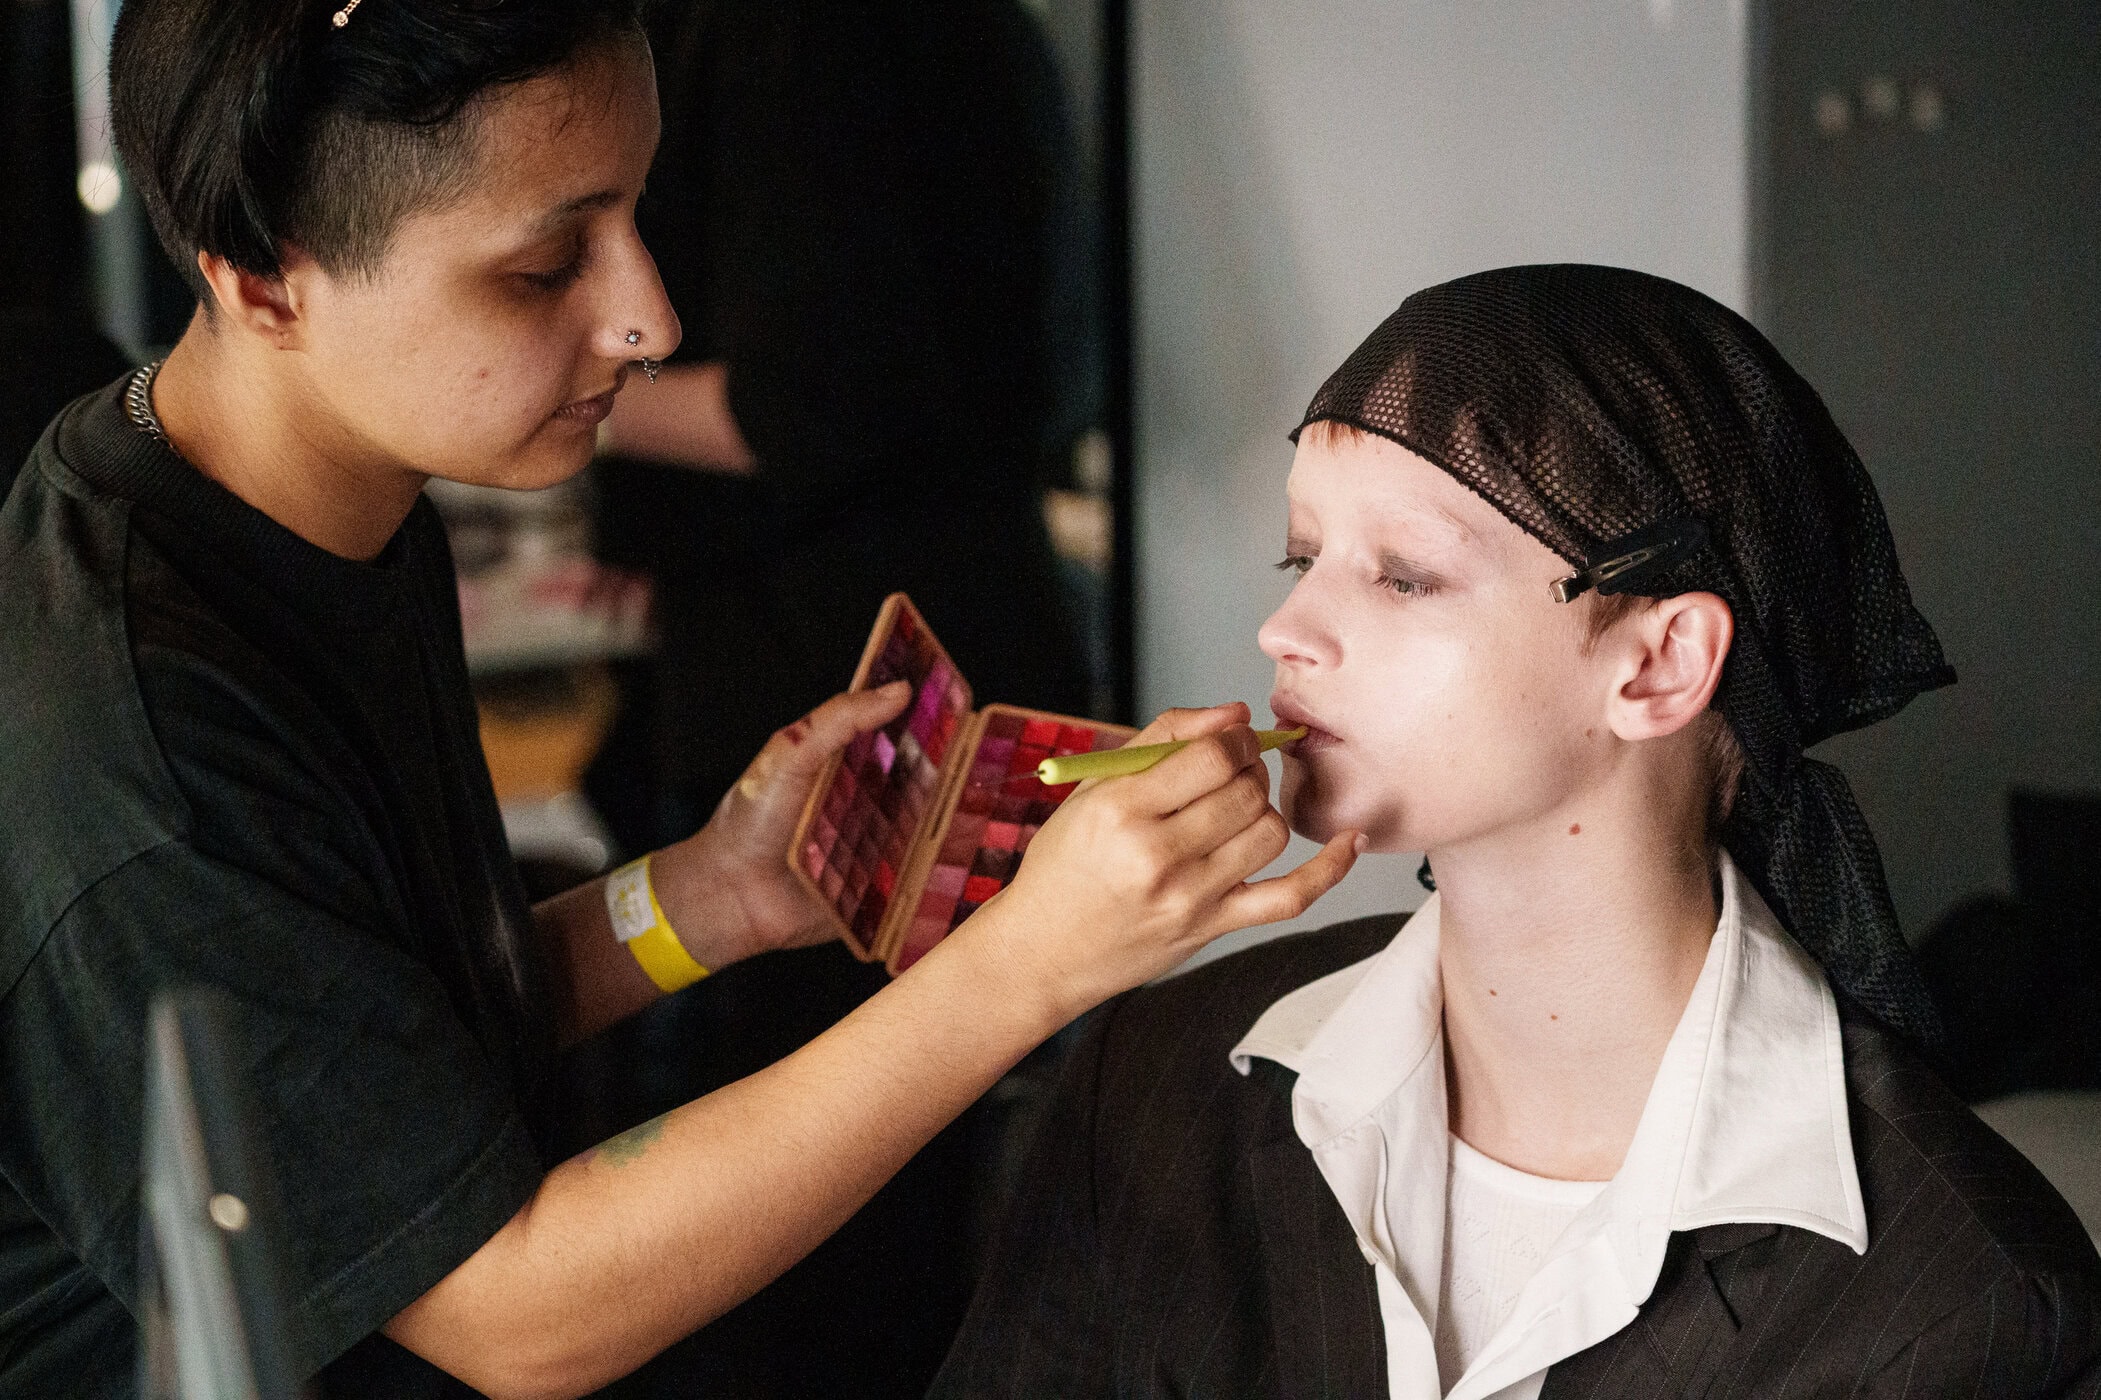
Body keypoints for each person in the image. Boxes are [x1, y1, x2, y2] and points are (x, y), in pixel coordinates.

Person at [0, 3, 1361, 1396]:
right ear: (267, 280)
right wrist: (1027, 967)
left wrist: (697, 902)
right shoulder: (144, 740)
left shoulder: (326, 502)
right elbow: (511, 1308)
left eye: (638, 215)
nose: (647, 313)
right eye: (544, 267)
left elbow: (379, 1045)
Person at [932, 265, 2101, 1399]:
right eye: (1302, 556)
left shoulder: (1969, 1301)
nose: (1285, 626)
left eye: (1400, 577)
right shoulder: (1150, 1077)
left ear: (1658, 662)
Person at [584, 0, 1090, 851]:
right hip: (920, 629)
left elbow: (795, 408)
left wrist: (534, 392)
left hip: (859, 674)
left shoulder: (803, 34)